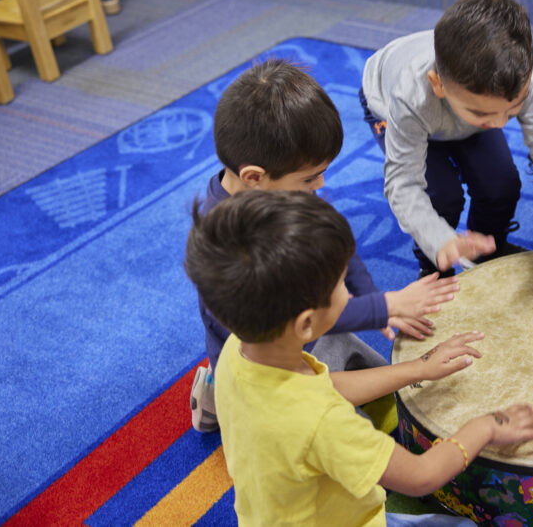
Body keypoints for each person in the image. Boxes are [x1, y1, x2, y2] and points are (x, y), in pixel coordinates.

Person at [185, 189, 533, 526]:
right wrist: (485, 426)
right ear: (307, 323)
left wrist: (416, 368)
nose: (350, 289)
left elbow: (321, 387)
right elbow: (421, 477)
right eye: (342, 283)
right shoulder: (323, 423)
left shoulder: (237, 349)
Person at [189, 60, 459, 434]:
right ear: (254, 178)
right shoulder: (229, 243)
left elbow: (341, 244)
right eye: (310, 177)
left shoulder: (281, 189)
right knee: (345, 437)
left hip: (311, 335)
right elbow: (299, 320)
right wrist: (384, 308)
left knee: (388, 388)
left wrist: (372, 295)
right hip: (269, 362)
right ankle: (221, 400)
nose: (319, 186)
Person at [360, 0, 533, 277]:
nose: (499, 124)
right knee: (441, 195)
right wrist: (441, 242)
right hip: (390, 104)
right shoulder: (410, 96)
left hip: (457, 108)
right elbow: (403, 185)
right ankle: (434, 269)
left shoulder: (522, 78)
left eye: (512, 110)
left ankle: (484, 254)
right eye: (483, 114)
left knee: (502, 184)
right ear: (438, 84)